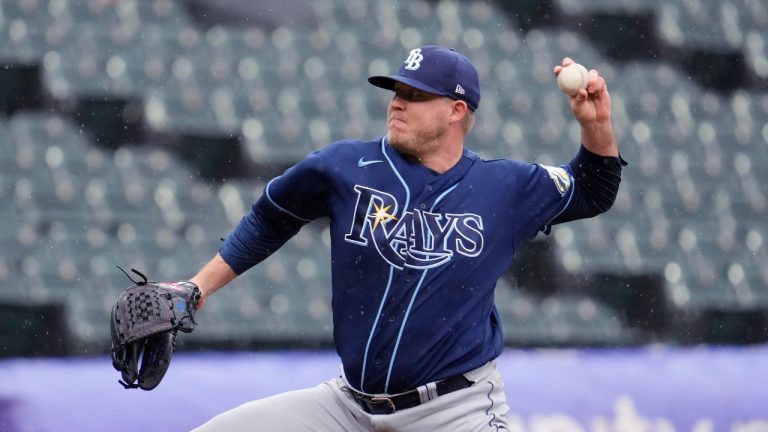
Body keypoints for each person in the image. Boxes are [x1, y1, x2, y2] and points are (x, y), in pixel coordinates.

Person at [189, 45, 624, 431]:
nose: (398, 104)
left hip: (455, 412)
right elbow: (270, 218)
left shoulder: (505, 188)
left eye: (416, 95)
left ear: (456, 110)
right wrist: (197, 287)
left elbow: (593, 190)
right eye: (396, 92)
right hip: (347, 409)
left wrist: (596, 123)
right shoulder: (344, 165)